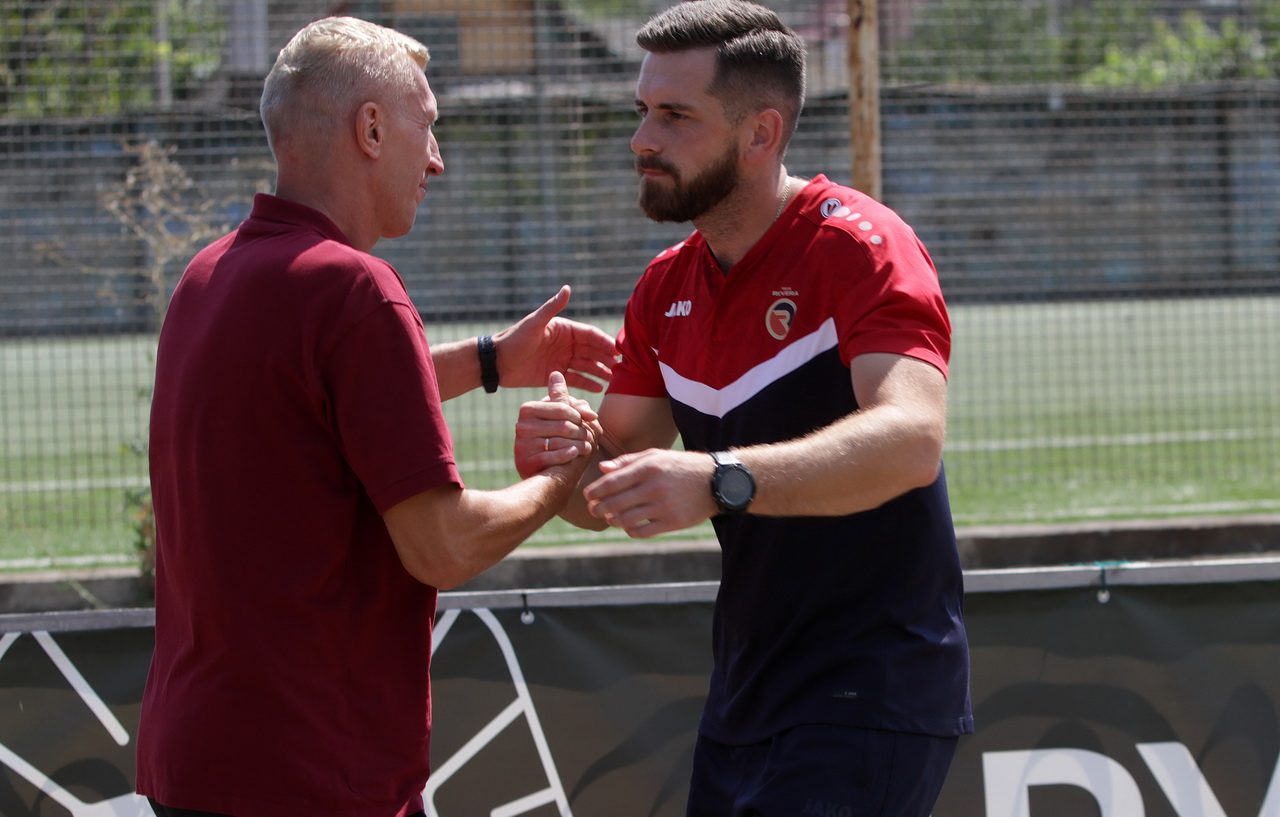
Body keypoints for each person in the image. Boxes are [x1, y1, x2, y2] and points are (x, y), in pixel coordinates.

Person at [135, 16, 610, 817]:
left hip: (192, 762)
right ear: (371, 130)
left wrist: (490, 360)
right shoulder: (357, 291)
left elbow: (317, 400)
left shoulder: (209, 275)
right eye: (427, 125)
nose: (438, 158)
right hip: (312, 777)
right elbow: (442, 545)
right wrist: (560, 479)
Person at [517, 2, 971, 815]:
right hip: (744, 695)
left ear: (761, 134)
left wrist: (720, 479)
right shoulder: (664, 287)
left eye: (675, 115)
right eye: (643, 110)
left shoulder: (861, 247)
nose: (642, 138)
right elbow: (607, 489)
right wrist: (559, 461)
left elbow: (912, 439)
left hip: (872, 687)